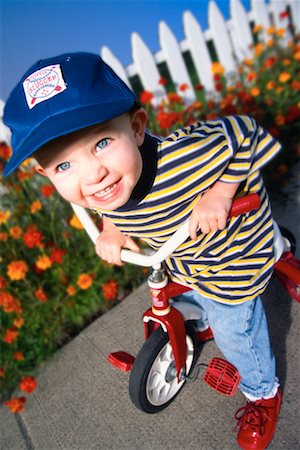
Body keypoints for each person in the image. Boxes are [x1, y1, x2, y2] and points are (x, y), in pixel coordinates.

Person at [3, 52, 282, 449]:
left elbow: (246, 131)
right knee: (187, 290)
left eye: (101, 143)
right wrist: (111, 226)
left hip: (232, 255)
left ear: (136, 127)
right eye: (64, 166)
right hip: (189, 256)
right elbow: (107, 202)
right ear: (44, 172)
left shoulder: (184, 160)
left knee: (234, 328)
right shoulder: (102, 185)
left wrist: (220, 193)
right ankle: (199, 320)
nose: (92, 174)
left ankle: (262, 391)